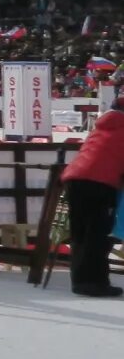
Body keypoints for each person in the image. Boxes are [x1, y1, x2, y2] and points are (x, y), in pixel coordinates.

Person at [59, 105, 124, 297]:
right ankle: (94, 282)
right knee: (98, 233)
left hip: (74, 178)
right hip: (100, 182)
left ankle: (80, 281)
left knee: (80, 233)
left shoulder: (103, 127)